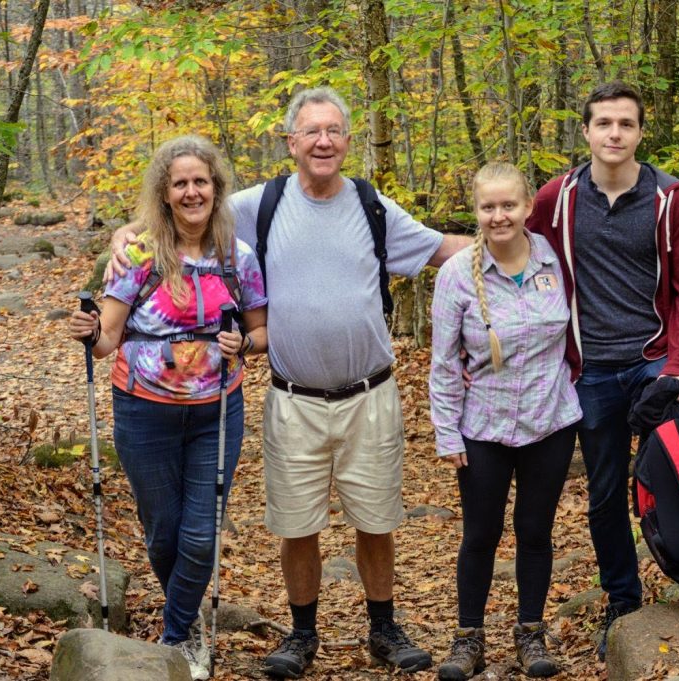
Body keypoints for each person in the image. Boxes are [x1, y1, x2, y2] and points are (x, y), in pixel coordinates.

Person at [107, 87, 469, 678]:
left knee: (376, 520)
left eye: (335, 131)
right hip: (294, 397)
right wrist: (124, 235)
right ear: (291, 142)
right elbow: (180, 210)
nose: (323, 141)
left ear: (348, 141)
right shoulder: (259, 204)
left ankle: (383, 627)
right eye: (312, 132)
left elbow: (439, 250)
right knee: (297, 524)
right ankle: (303, 635)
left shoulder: (375, 207)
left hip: (370, 393)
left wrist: (517, 249)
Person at [70, 134, 268, 680]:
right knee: (163, 531)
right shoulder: (137, 254)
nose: (190, 192)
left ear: (215, 188)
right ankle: (183, 621)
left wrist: (245, 346)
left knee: (201, 534)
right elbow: (107, 339)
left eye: (199, 181)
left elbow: (261, 331)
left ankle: (176, 636)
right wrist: (89, 333)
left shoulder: (238, 257)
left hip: (216, 411)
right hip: (143, 409)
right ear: (164, 192)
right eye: (179, 183)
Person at [525, 81, 679, 660]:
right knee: (605, 494)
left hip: (654, 361)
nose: (614, 134)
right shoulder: (557, 199)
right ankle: (623, 604)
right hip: (589, 369)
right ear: (585, 131)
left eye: (625, 124)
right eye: (604, 123)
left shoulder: (670, 199)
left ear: (639, 132)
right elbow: (519, 262)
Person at [429, 162, 582, 680]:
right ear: (477, 212)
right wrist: (447, 432)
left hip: (551, 420)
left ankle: (530, 634)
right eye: (488, 207)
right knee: (480, 534)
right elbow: (445, 363)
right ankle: (468, 638)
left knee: (535, 530)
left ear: (527, 208)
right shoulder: (456, 277)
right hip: (484, 426)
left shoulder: (556, 261)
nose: (499, 216)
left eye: (508, 205)